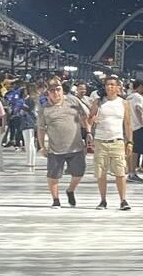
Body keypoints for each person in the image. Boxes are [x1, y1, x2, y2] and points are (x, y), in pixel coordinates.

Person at [38, 78, 90, 208]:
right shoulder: (45, 109)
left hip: (76, 146)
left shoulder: (72, 100)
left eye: (58, 89)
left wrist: (88, 132)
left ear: (62, 90)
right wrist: (42, 146)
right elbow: (41, 129)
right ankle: (55, 199)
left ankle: (70, 190)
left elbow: (84, 116)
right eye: (52, 90)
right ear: (48, 93)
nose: (56, 93)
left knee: (79, 173)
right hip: (56, 149)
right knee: (53, 176)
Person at [89, 76, 132, 210]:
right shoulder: (99, 102)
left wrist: (129, 142)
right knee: (101, 173)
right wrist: (92, 122)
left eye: (113, 85)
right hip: (101, 141)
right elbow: (88, 120)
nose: (110, 87)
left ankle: (123, 200)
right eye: (107, 85)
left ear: (118, 87)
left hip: (117, 141)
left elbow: (128, 124)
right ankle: (103, 200)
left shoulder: (123, 103)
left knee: (120, 172)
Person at [126, 79, 143, 183]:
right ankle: (132, 173)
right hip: (137, 127)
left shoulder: (128, 97)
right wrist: (142, 124)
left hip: (129, 127)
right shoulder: (138, 97)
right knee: (135, 152)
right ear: (139, 87)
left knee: (131, 151)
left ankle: (130, 171)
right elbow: (138, 110)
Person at [19, 86, 38, 170]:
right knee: (29, 143)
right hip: (29, 122)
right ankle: (31, 161)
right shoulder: (32, 100)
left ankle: (29, 161)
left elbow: (25, 110)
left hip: (28, 122)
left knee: (29, 142)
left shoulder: (29, 100)